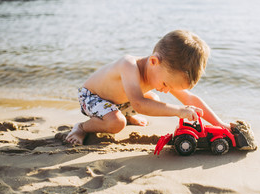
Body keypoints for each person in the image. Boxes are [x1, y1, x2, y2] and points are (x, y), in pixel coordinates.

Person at [66, 30, 234, 145]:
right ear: (154, 62)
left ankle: (125, 114)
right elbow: (139, 104)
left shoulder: (163, 71)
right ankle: (81, 127)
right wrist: (179, 111)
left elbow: (190, 99)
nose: (168, 90)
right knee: (117, 123)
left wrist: (220, 124)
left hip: (118, 102)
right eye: (166, 85)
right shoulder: (128, 65)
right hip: (92, 97)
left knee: (154, 99)